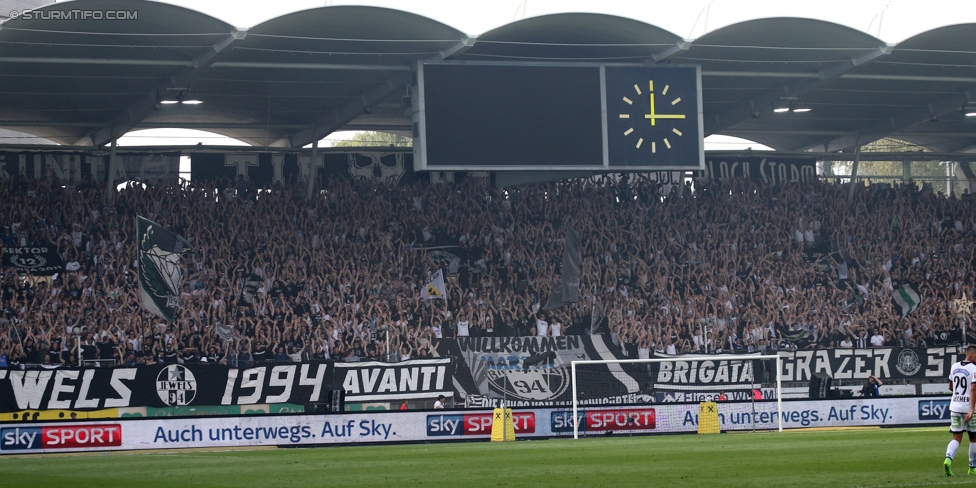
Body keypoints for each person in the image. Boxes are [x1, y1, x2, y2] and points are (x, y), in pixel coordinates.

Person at [944, 344, 976, 477]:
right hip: (970, 409)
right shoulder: (975, 368)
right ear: (971, 355)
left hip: (955, 407)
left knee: (956, 438)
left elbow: (951, 386)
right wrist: (972, 409)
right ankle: (972, 468)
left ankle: (948, 459)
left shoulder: (954, 366)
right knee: (974, 438)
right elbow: (974, 389)